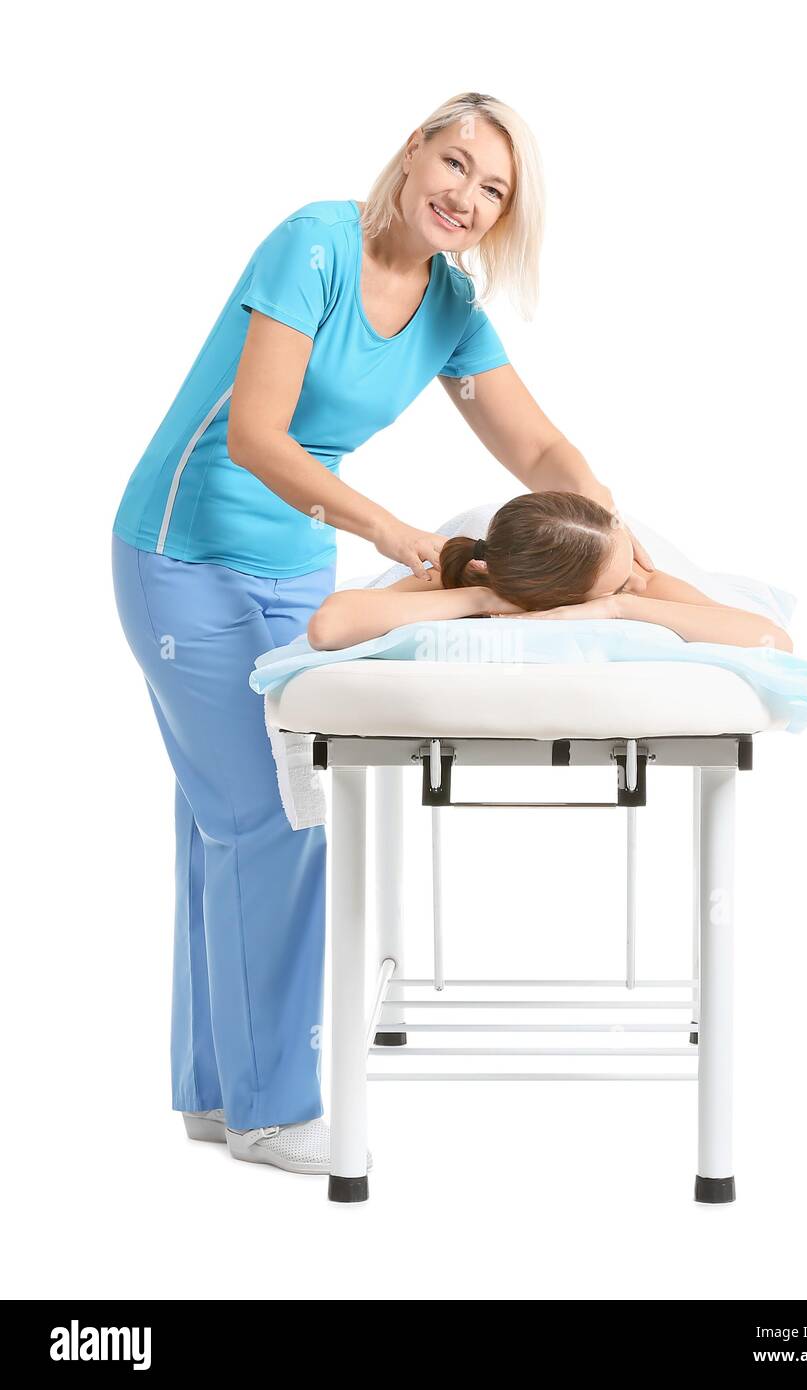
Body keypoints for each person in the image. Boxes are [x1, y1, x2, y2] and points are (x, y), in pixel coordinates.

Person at [110, 91, 651, 1177]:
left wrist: (607, 529)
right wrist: (391, 531)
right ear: (412, 153)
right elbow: (258, 436)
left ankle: (215, 1095)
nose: (465, 195)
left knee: (219, 823)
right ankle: (275, 1109)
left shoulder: (449, 311)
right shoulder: (314, 245)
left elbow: (536, 446)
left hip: (294, 569)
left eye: (492, 189)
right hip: (184, 554)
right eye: (455, 163)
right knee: (274, 819)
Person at [308, 492, 794, 653]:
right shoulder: (471, 568)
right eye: (618, 584)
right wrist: (482, 601)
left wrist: (621, 602)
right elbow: (328, 626)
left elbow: (772, 640)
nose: (637, 580)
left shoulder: (641, 574)